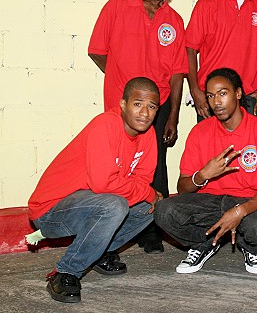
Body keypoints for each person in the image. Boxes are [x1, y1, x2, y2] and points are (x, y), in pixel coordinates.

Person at [88, 0, 188, 253]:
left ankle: (152, 230)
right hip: (120, 109)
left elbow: (177, 73)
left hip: (159, 108)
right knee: (117, 169)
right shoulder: (118, 4)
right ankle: (112, 230)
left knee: (155, 167)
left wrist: (172, 116)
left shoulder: (174, 21)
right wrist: (121, 82)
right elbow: (97, 50)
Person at [28, 77, 163, 303]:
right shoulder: (105, 125)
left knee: (152, 207)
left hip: (93, 203)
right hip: (51, 211)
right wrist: (147, 192)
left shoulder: (147, 134)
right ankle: (66, 271)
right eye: (137, 104)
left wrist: (148, 194)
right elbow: (103, 184)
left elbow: (143, 179)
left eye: (152, 106)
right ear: (123, 104)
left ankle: (99, 253)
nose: (144, 113)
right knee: (115, 205)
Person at [155, 68, 257, 274]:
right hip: (209, 202)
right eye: (210, 96)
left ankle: (250, 248)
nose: (216, 102)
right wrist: (203, 175)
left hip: (248, 201)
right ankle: (204, 244)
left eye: (223, 93)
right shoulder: (200, 131)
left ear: (238, 93)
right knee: (163, 211)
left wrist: (240, 211)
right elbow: (183, 187)